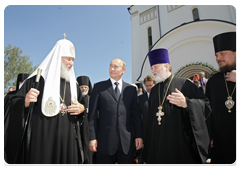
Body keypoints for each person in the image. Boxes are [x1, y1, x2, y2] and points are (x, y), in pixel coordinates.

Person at [9, 38, 91, 166]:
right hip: (42, 141)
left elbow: (83, 111)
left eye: (73, 60)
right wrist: (24, 102)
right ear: (58, 57)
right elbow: (12, 103)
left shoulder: (74, 86)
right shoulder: (37, 80)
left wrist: (81, 109)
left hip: (68, 141)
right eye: (68, 59)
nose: (71, 63)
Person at [142, 48, 211, 166]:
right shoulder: (154, 91)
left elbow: (206, 105)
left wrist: (186, 103)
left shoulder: (185, 84)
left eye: (156, 66)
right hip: (158, 144)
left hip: (180, 143)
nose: (153, 70)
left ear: (167, 66)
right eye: (152, 67)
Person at [88, 58, 143, 166]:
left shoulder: (131, 89)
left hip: (126, 142)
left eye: (115, 66)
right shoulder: (99, 87)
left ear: (124, 70)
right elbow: (92, 115)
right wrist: (92, 138)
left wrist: (139, 136)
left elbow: (136, 115)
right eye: (110, 66)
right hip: (104, 142)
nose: (111, 69)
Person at [206, 31, 238, 166]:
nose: (218, 58)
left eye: (222, 53)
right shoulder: (213, 81)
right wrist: (210, 136)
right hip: (220, 141)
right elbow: (207, 111)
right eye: (216, 55)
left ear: (237, 53)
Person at [4, 73, 29, 166]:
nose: (22, 84)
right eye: (21, 82)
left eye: (25, 82)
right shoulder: (11, 95)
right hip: (10, 128)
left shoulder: (31, 97)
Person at [137, 75, 156, 166]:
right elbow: (138, 117)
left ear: (154, 84)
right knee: (142, 156)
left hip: (158, 132)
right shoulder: (140, 99)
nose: (148, 88)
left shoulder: (160, 97)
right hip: (144, 132)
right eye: (147, 85)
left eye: (150, 85)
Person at [76, 75, 93, 165]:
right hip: (77, 128)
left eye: (86, 87)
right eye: (82, 87)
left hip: (89, 129)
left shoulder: (92, 99)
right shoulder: (74, 98)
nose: (84, 89)